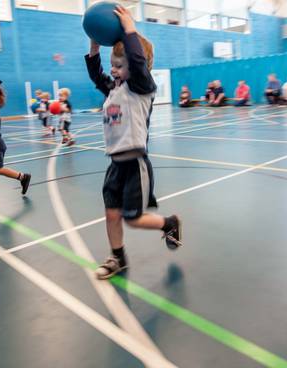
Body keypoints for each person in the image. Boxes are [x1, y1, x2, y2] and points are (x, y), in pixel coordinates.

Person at [85, 5, 182, 280]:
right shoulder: (115, 89)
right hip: (115, 165)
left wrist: (130, 29)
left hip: (135, 164)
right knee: (111, 215)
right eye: (113, 65)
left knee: (133, 218)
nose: (114, 71)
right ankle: (118, 258)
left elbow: (137, 63)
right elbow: (96, 75)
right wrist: (94, 43)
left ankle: (169, 223)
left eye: (119, 65)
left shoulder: (142, 88)